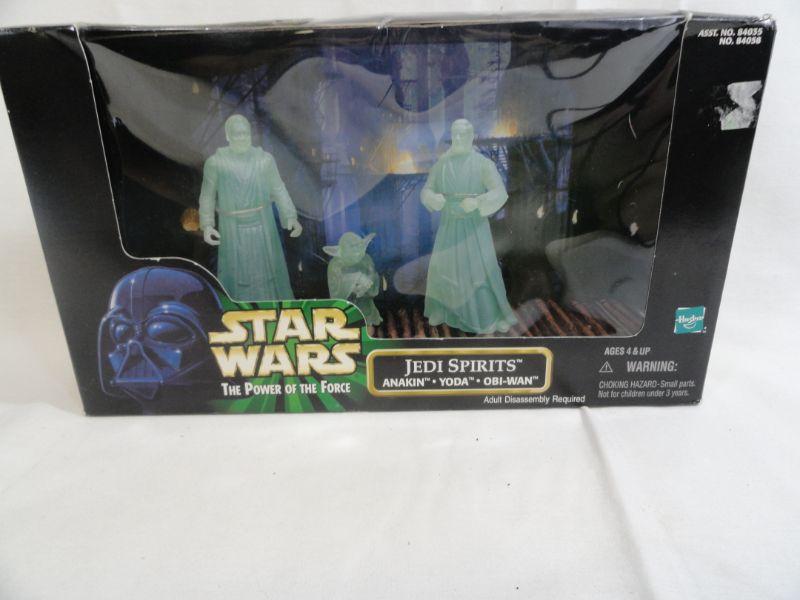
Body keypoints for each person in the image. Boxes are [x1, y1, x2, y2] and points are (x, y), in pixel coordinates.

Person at [421, 118, 517, 334]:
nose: (458, 138)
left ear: (471, 136)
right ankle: (443, 309)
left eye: (463, 134)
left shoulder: (483, 164)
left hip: (474, 228)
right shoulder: (442, 164)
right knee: (443, 267)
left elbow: (500, 192)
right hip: (448, 226)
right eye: (455, 134)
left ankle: (489, 314)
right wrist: (432, 198)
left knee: (479, 270)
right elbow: (426, 190)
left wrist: (478, 202)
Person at [199, 114, 302, 301]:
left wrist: (290, 216)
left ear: (250, 134)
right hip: (232, 230)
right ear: (228, 136)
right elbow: (207, 196)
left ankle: (273, 308)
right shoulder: (216, 163)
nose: (241, 138)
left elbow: (278, 188)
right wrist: (207, 225)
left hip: (263, 227)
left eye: (245, 133)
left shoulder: (264, 160)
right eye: (236, 134)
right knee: (235, 278)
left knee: (270, 276)